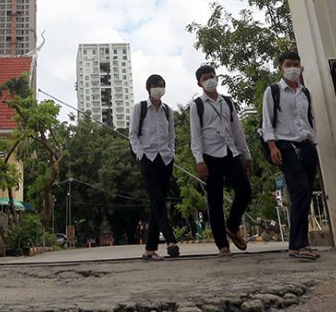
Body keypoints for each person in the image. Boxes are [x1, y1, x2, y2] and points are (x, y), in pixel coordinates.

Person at [261, 49, 321, 261]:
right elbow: (267, 122)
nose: (293, 68)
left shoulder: (305, 93)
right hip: (285, 146)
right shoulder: (273, 91)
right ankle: (300, 243)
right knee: (301, 190)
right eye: (288, 64)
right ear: (280, 67)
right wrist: (272, 146)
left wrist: (314, 146)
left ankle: (296, 245)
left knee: (303, 195)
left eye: (296, 64)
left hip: (306, 146)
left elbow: (309, 121)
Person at [189, 64, 252, 257]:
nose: (210, 80)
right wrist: (199, 160)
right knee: (214, 201)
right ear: (199, 83)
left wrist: (246, 155)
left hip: (230, 152)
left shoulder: (227, 102)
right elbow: (196, 136)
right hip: (210, 156)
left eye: (212, 76)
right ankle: (222, 245)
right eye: (205, 78)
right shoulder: (197, 105)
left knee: (245, 190)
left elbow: (237, 130)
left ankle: (232, 225)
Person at [128, 73, 180, 261]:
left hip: (165, 159)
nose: (160, 88)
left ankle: (150, 249)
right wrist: (140, 154)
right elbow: (132, 134)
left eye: (163, 85)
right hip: (147, 158)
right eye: (157, 85)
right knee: (157, 199)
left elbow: (172, 135)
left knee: (157, 203)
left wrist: (171, 153)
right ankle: (171, 240)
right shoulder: (140, 108)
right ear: (149, 88)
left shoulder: (167, 110)